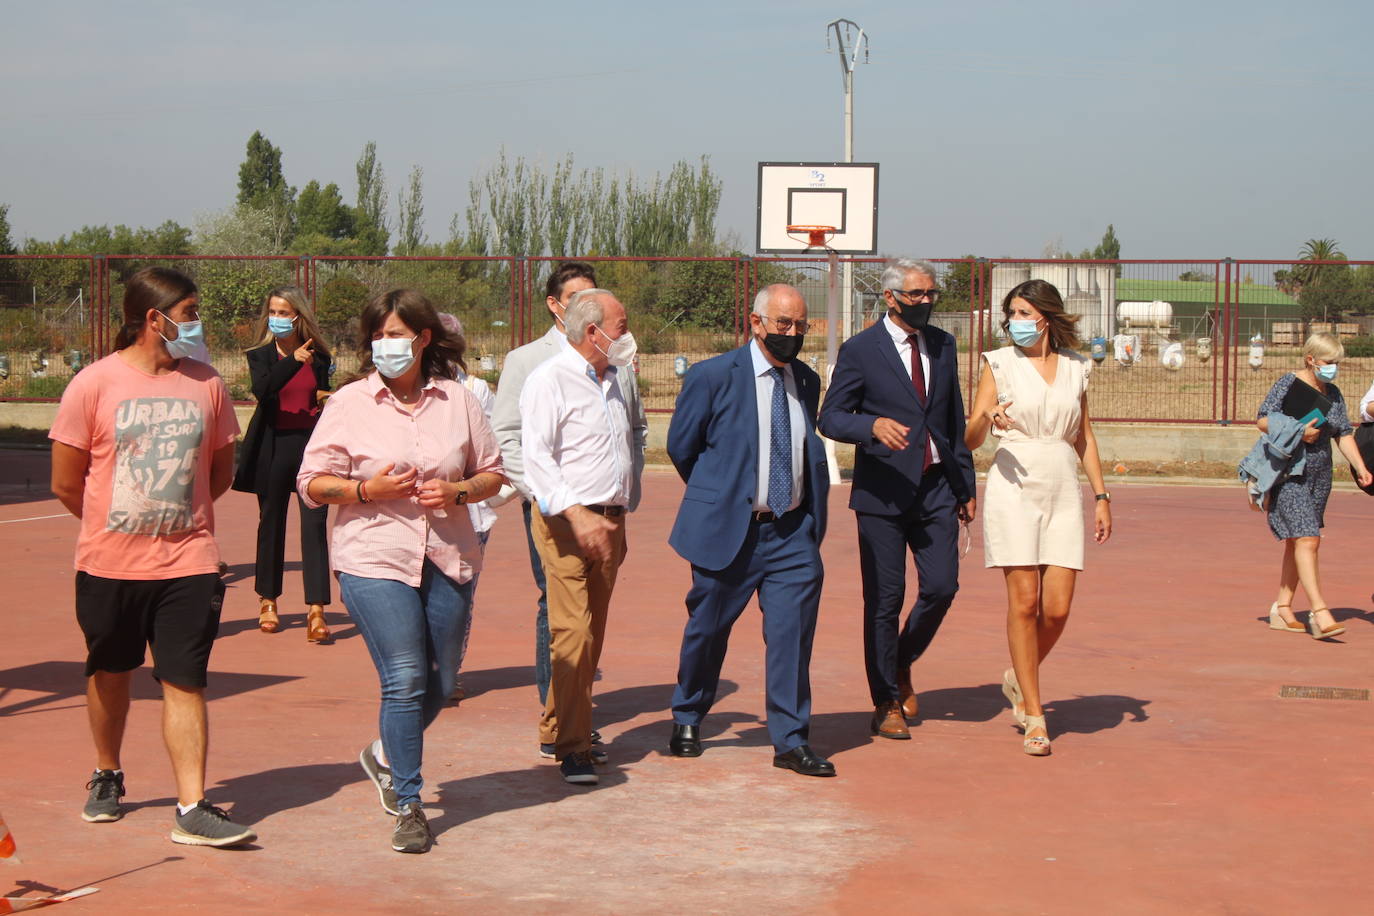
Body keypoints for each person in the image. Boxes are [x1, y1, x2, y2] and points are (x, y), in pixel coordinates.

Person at [49, 266, 256, 847]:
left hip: (189, 563)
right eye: (189, 313)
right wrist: (115, 526)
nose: (197, 324)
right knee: (111, 671)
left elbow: (219, 473)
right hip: (108, 565)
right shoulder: (93, 384)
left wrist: (177, 521)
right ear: (153, 319)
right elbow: (67, 483)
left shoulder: (207, 384)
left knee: (185, 679)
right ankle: (107, 773)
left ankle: (191, 805)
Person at [296, 289, 506, 854]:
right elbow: (311, 483)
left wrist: (458, 490)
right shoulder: (348, 403)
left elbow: (492, 472)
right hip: (373, 556)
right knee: (406, 676)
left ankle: (384, 753)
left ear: (423, 339)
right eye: (378, 335)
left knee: (440, 683)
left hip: (446, 552)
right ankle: (409, 800)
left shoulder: (459, 401)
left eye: (397, 334)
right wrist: (366, 489)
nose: (386, 345)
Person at [665, 284, 834, 777]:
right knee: (707, 629)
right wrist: (722, 495)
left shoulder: (805, 379)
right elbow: (682, 448)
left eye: (801, 326)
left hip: (792, 532)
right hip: (730, 531)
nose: (793, 334)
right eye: (784, 324)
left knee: (792, 636)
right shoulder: (712, 376)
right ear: (757, 323)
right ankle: (689, 714)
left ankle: (791, 739)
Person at [491, 262, 647, 757]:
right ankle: (574, 745)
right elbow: (530, 449)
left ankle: (558, 725)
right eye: (622, 327)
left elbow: (632, 434)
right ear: (593, 329)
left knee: (591, 634)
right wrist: (566, 508)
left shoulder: (620, 376)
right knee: (570, 630)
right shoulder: (543, 374)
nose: (629, 336)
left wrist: (624, 496)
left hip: (610, 522)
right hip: (560, 519)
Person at [817, 257, 976, 742]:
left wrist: (964, 486)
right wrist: (870, 427)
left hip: (935, 490)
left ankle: (901, 659)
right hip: (882, 495)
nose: (925, 302)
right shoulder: (861, 350)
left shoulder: (944, 346)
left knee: (942, 588)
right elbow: (831, 417)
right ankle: (886, 699)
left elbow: (953, 424)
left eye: (931, 294)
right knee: (885, 601)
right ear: (890, 298)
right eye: (915, 295)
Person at [964, 279, 1112, 756]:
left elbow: (1083, 435)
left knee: (1058, 609)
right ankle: (1034, 710)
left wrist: (1102, 495)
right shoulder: (999, 363)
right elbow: (968, 437)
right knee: (1024, 603)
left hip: (1062, 488)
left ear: (1047, 316)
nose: (1015, 321)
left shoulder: (1077, 367)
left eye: (1024, 312)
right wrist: (990, 420)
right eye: (1011, 313)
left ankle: (1016, 676)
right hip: (1012, 484)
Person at [1252, 333, 1371, 641]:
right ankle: (1320, 612)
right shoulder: (1288, 384)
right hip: (1290, 473)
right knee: (1308, 538)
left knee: (1298, 541)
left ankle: (1283, 606)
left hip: (1319, 477)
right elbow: (1263, 419)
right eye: (1329, 362)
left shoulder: (1333, 392)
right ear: (1311, 360)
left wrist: (1361, 467)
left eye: (1337, 363)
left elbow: (1343, 432)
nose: (1334, 368)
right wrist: (1296, 429)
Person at [231, 286, 333, 641]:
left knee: (314, 525)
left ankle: (317, 610)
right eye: (273, 311)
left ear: (298, 316)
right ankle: (268, 600)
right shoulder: (259, 355)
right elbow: (264, 390)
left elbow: (318, 392)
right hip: (272, 447)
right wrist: (292, 362)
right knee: (271, 522)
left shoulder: (319, 355)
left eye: (284, 312)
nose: (277, 317)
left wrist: (329, 396)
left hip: (310, 448)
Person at [438, 312, 505, 700]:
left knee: (460, 594)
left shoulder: (476, 390)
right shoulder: (409, 390)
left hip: (471, 512)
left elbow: (492, 455)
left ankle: (448, 673)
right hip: (418, 513)